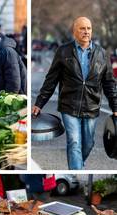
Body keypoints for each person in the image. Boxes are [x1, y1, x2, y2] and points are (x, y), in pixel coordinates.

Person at [32, 17, 117, 170]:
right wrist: (39, 104)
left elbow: (109, 83)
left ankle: (77, 165)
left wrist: (115, 106)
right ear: (74, 32)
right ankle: (77, 170)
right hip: (69, 106)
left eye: (89, 28)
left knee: (89, 143)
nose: (86, 32)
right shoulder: (63, 51)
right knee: (74, 142)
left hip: (91, 106)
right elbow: (51, 80)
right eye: (82, 28)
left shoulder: (102, 54)